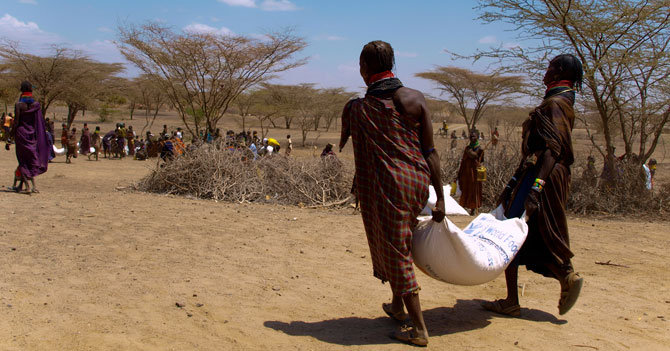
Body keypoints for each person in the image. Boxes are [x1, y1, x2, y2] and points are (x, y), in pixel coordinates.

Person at [339, 40, 445, 347]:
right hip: (417, 182)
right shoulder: (415, 98)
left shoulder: (358, 109)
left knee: (397, 250)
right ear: (393, 63)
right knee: (399, 240)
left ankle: (420, 328)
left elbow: (363, 152)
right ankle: (397, 306)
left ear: (365, 68)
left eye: (360, 66)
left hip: (389, 186)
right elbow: (430, 151)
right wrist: (438, 197)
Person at [484, 54, 584, 317]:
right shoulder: (562, 100)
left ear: (559, 71)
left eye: (550, 66)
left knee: (510, 231)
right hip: (545, 174)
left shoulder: (555, 103)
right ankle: (564, 276)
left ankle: (515, 299)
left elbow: (552, 150)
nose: (546, 70)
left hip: (544, 175)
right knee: (540, 231)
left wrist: (536, 188)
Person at [11, 81, 49, 192]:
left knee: (22, 160)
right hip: (32, 135)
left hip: (21, 134)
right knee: (30, 159)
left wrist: (10, 135)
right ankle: (27, 186)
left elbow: (16, 122)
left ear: (21, 90)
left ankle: (27, 187)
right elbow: (38, 122)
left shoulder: (19, 105)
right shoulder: (36, 105)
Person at [456, 130, 484, 215]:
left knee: (474, 189)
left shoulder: (480, 149)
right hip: (466, 172)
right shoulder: (467, 148)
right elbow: (467, 158)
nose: (472, 138)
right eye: (471, 136)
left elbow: (481, 160)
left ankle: (473, 208)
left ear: (477, 137)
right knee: (465, 188)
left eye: (474, 136)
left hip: (475, 172)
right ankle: (463, 208)